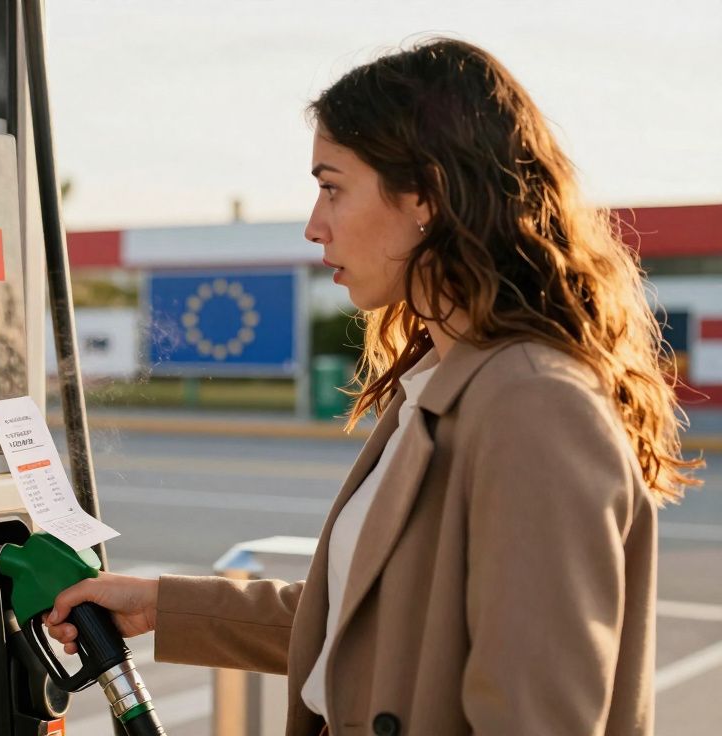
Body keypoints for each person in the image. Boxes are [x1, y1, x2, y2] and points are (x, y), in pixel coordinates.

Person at [45, 38, 702, 736]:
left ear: (426, 196)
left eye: (332, 187)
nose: (313, 224)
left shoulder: (533, 404)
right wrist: (158, 604)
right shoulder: (440, 381)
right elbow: (371, 631)